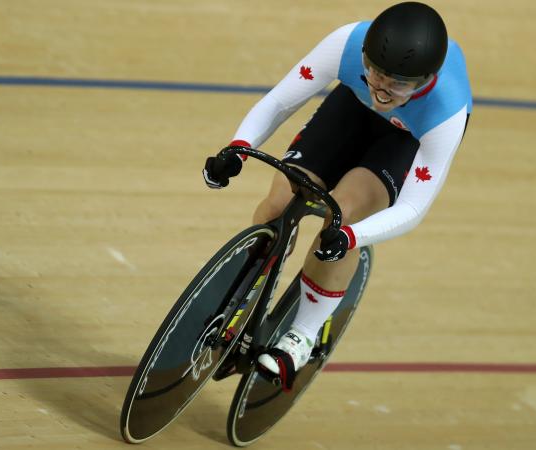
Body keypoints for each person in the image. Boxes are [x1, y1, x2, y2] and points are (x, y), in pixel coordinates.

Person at [202, 1, 472, 387]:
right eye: (375, 72)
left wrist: (351, 236)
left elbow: (414, 206)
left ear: (425, 80)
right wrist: (238, 148)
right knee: (280, 200)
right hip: (351, 108)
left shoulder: (446, 110)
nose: (381, 87)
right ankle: (243, 299)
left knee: (343, 215)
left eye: (397, 83)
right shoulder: (347, 43)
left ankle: (304, 335)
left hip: (405, 138)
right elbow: (280, 100)